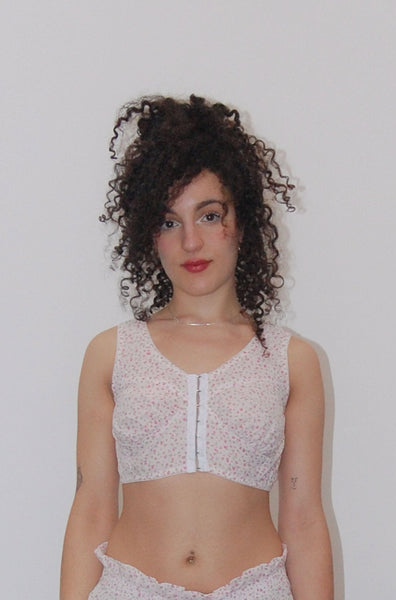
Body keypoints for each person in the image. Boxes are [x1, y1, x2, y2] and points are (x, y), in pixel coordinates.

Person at [60, 95, 333, 600]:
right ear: (149, 235)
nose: (190, 242)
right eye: (169, 222)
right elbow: (91, 507)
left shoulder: (290, 360)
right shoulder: (112, 353)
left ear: (242, 222)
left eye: (209, 216)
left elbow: (303, 520)